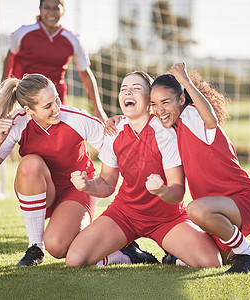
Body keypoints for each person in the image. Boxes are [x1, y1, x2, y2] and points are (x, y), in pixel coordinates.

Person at [0, 73, 151, 267]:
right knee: (30, 164)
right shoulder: (18, 123)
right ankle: (35, 248)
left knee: (57, 247)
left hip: (77, 190)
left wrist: (121, 121)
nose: (56, 108)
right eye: (48, 106)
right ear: (29, 110)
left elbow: (116, 141)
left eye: (56, 99)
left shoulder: (76, 119)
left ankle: (124, 254)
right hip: (42, 190)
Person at [66, 71, 222, 268]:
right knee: (74, 260)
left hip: (166, 219)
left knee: (210, 262)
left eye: (136, 88)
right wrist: (88, 185)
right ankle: (129, 255)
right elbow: (106, 184)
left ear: (150, 100)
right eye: (124, 89)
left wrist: (162, 191)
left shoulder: (166, 133)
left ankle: (173, 256)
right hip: (124, 215)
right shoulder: (114, 131)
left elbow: (177, 191)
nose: (128, 92)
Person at [148, 63, 250, 273]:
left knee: (195, 209)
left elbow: (211, 119)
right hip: (217, 211)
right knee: (221, 258)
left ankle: (249, 255)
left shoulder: (192, 116)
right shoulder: (174, 128)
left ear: (182, 99)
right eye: (154, 104)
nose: (159, 109)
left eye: (165, 102)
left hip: (244, 200)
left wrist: (186, 83)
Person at [2, 0, 108, 123]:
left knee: (54, 138)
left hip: (55, 99)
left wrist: (98, 108)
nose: (51, 12)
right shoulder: (23, 33)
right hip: (26, 97)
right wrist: (2, 89)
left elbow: (85, 73)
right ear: (40, 9)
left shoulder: (73, 40)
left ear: (63, 11)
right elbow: (10, 57)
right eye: (47, 7)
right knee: (25, 137)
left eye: (56, 8)